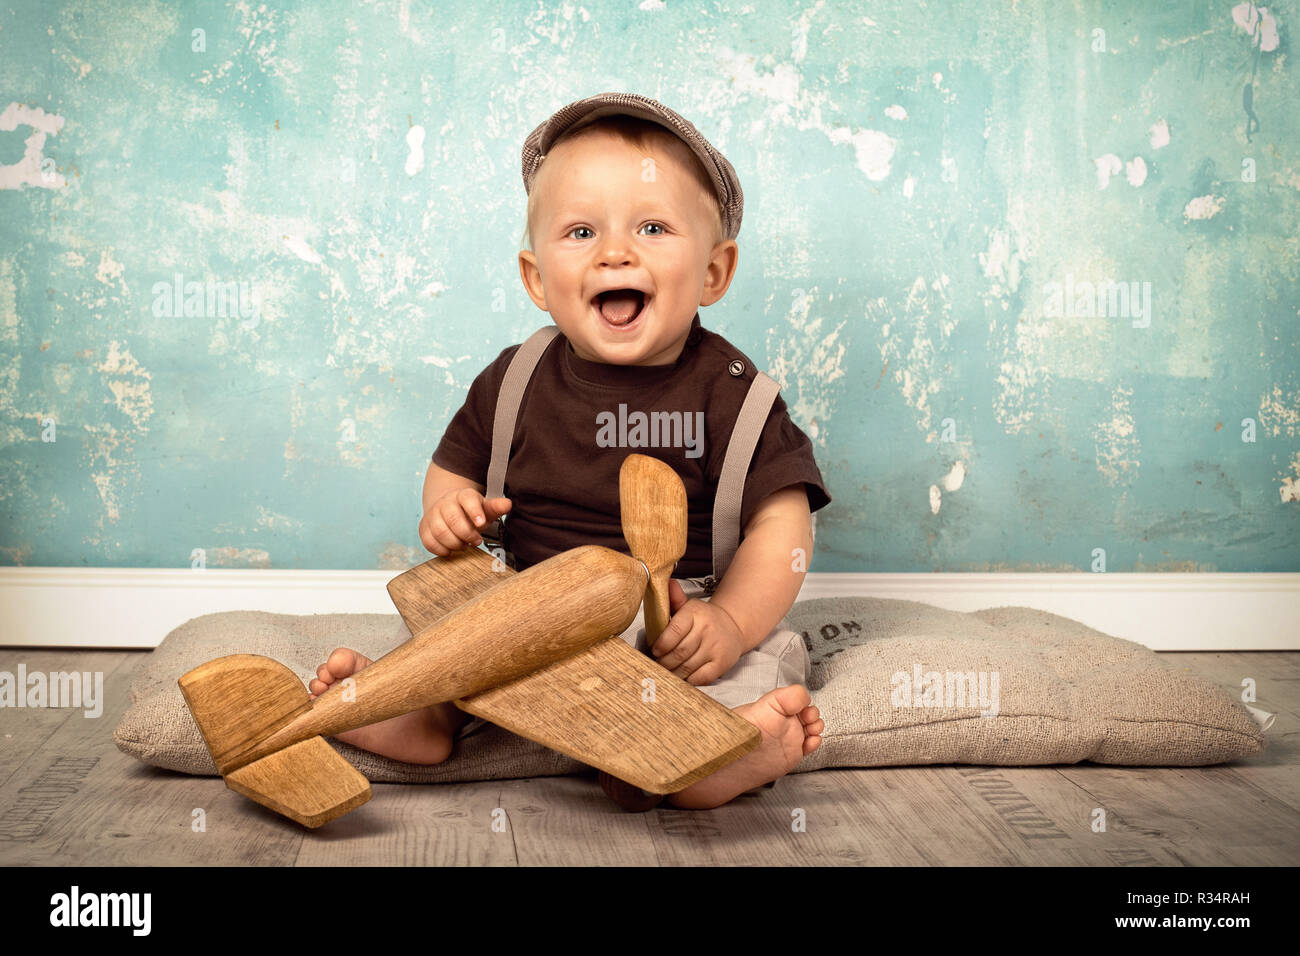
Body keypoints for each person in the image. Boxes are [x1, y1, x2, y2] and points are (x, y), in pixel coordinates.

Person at [310, 93, 831, 809]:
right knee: (453, 639)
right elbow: (454, 466)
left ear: (714, 271)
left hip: (675, 624)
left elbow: (785, 524)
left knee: (742, 669)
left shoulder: (735, 397)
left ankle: (710, 752)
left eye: (652, 226)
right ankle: (423, 718)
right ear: (535, 279)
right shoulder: (516, 379)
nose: (616, 251)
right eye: (581, 231)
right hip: (533, 610)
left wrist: (733, 622)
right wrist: (448, 509)